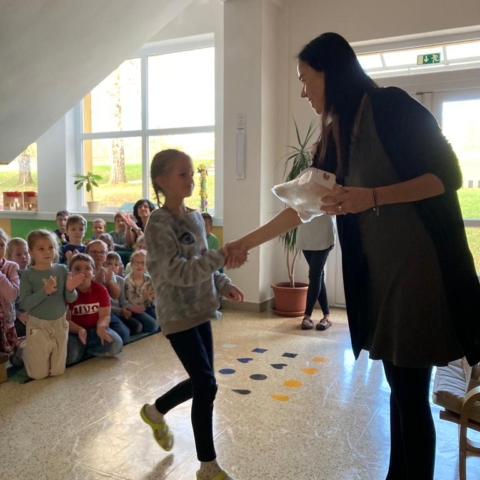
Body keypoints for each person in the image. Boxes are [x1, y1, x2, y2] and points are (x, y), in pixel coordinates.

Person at [224, 32, 480, 480]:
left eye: (306, 79)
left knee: (409, 393)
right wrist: (245, 242)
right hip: (380, 275)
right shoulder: (337, 133)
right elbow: (303, 207)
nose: (303, 92)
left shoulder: (391, 106)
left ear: (332, 73)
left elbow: (447, 177)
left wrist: (372, 196)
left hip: (418, 271)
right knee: (400, 392)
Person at [141, 149, 246, 480]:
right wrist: (219, 258)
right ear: (162, 180)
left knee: (204, 382)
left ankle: (155, 411)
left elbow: (203, 260)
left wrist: (223, 284)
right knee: (206, 383)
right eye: (182, 174)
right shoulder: (158, 224)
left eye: (192, 173)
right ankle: (207, 465)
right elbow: (177, 272)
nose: (191, 179)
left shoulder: (197, 218)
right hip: (176, 314)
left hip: (202, 308)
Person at [19, 230, 84, 380]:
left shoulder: (61, 270)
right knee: (38, 375)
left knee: (57, 372)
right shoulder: (27, 275)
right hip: (38, 327)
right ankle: (24, 349)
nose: (47, 252)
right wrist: (45, 292)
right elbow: (26, 304)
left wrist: (70, 289)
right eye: (41, 249)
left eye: (50, 248)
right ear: (31, 252)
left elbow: (70, 299)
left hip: (60, 325)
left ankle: (38, 353)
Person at [66, 253, 123, 365]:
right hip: (75, 332)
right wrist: (79, 330)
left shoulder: (101, 289)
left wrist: (101, 328)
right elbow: (66, 320)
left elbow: (105, 315)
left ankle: (86, 351)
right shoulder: (68, 292)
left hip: (95, 329)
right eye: (77, 269)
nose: (83, 272)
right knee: (71, 356)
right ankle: (86, 350)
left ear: (93, 272)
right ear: (70, 273)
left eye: (87, 268)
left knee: (116, 345)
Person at [85, 240, 130, 344]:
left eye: (102, 252)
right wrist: (97, 282)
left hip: (106, 312)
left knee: (125, 334)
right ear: (87, 253)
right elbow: (87, 297)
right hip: (90, 312)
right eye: (94, 252)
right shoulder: (84, 271)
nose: (98, 255)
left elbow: (115, 295)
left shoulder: (108, 271)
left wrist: (109, 282)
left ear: (106, 255)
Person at [297, 214, 335, 331]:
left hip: (324, 234)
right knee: (318, 275)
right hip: (305, 234)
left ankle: (307, 316)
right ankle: (327, 316)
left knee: (315, 275)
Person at [0, 229, 21, 360]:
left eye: (1, 245)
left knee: (9, 357)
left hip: (6, 325)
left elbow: (12, 295)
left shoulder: (12, 267)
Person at [6, 237, 30, 337]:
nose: (24, 257)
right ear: (10, 258)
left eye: (26, 253)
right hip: (16, 317)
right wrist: (19, 314)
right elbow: (7, 303)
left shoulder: (34, 273)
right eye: (18, 254)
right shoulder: (8, 276)